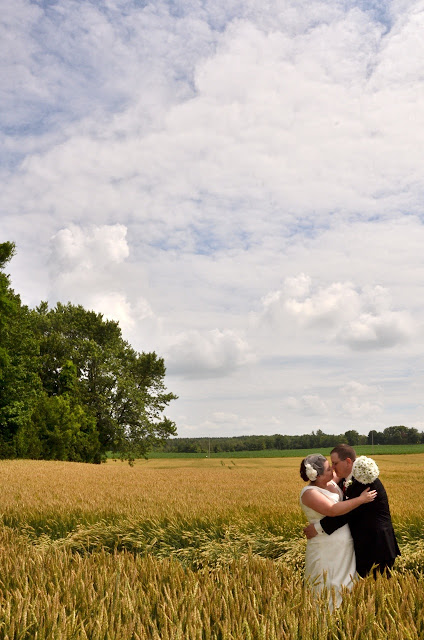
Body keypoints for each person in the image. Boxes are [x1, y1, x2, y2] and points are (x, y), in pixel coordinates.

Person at [303, 444, 401, 578]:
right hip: (361, 546)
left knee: (378, 590)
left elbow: (347, 513)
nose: (333, 467)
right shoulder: (346, 479)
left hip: (376, 546)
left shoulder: (365, 481)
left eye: (335, 463)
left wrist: (318, 528)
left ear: (348, 462)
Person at [300, 453, 377, 607]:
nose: (333, 470)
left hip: (344, 545)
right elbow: (333, 510)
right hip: (325, 546)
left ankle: (344, 614)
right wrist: (361, 499)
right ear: (318, 476)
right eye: (329, 469)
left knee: (346, 581)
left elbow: (345, 470)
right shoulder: (309, 493)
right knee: (326, 581)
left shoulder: (330, 482)